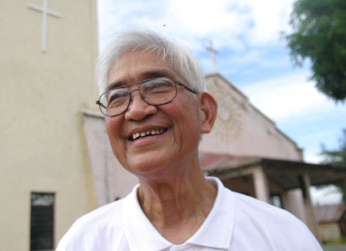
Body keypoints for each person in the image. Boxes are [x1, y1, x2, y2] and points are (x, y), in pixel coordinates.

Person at [56, 30, 322, 251]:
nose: (136, 110)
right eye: (117, 97)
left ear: (205, 113)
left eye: (158, 86)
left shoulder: (284, 238)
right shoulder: (85, 242)